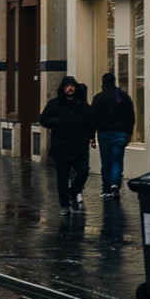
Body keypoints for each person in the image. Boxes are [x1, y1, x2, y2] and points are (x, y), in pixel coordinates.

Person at [40, 75, 94, 213]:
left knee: (83, 171)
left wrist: (90, 135)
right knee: (62, 178)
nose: (70, 88)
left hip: (79, 146)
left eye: (72, 86)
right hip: (61, 147)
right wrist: (56, 122)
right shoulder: (54, 104)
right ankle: (64, 205)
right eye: (67, 86)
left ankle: (74, 191)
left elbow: (91, 121)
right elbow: (43, 119)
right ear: (63, 88)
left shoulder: (82, 105)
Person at [91, 71, 136, 197]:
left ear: (102, 83)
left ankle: (106, 188)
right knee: (117, 160)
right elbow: (131, 115)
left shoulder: (98, 98)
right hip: (120, 133)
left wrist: (91, 136)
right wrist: (129, 132)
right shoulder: (122, 96)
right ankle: (115, 184)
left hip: (104, 133)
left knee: (106, 162)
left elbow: (93, 118)